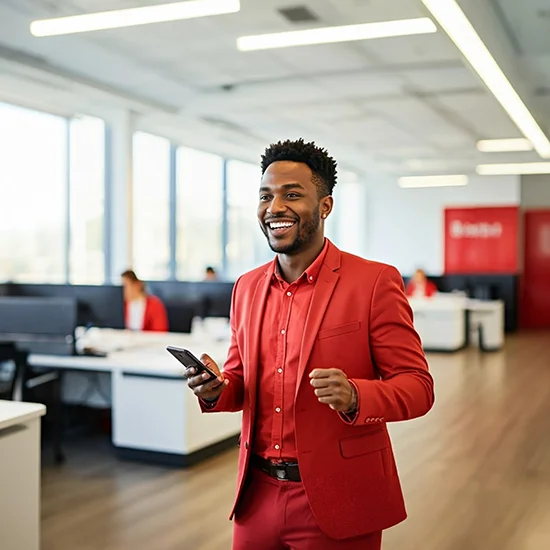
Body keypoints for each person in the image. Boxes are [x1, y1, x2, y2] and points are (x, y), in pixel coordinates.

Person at [184, 139, 434, 550]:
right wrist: (216, 388)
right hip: (256, 494)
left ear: (325, 206)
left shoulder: (373, 282)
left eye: (292, 194)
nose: (274, 206)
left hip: (340, 496)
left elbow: (418, 387)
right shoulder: (246, 288)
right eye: (265, 196)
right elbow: (239, 381)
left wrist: (356, 395)